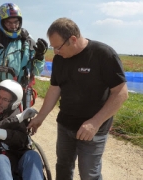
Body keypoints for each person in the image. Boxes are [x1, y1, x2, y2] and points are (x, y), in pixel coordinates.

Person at [28, 17, 129, 180]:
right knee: (63, 167)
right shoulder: (60, 59)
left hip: (93, 130)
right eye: (53, 48)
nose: (56, 52)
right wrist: (40, 118)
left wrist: (95, 123)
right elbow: (55, 89)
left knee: (89, 174)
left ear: (73, 39)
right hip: (66, 125)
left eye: (58, 47)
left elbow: (121, 92)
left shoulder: (103, 54)